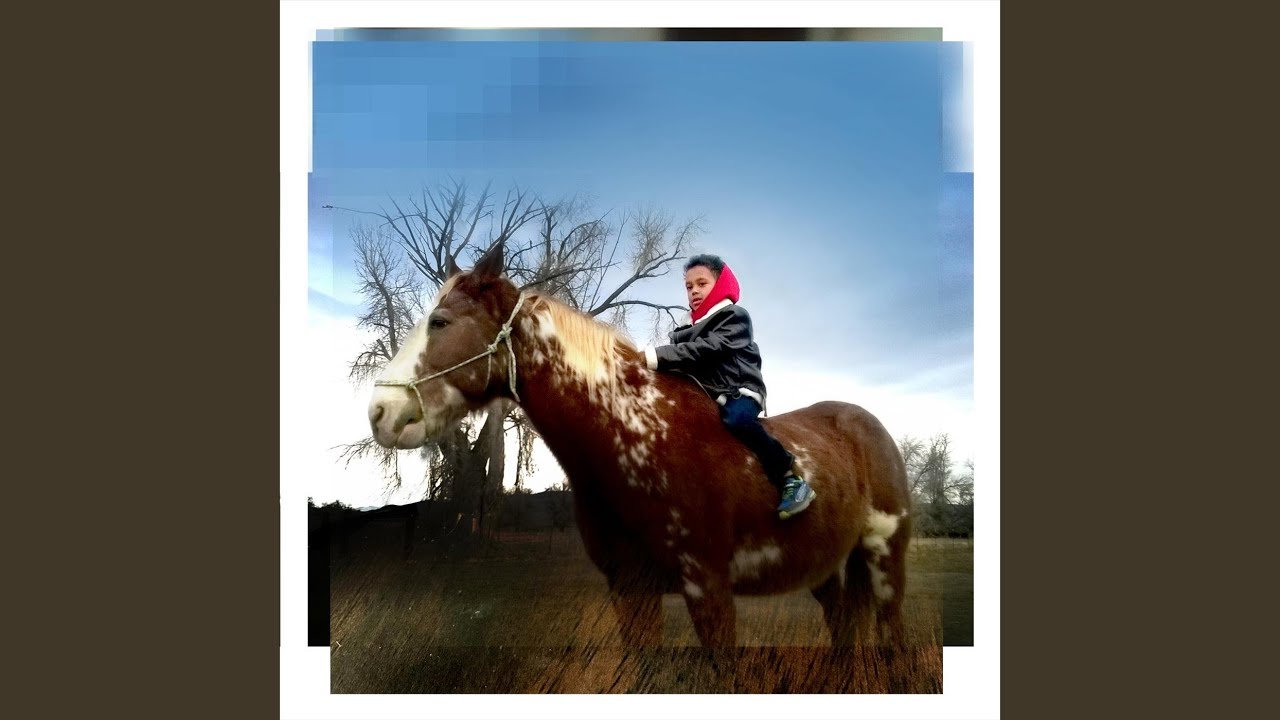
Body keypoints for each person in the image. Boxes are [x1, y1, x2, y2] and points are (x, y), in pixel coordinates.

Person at [642, 254, 816, 519]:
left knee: (737, 420)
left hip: (738, 389)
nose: (694, 291)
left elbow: (709, 348)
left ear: (720, 284)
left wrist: (653, 356)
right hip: (707, 392)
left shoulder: (734, 317)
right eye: (689, 286)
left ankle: (789, 477)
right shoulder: (683, 331)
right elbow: (679, 362)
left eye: (702, 283)